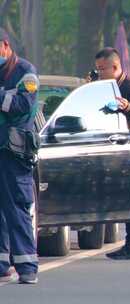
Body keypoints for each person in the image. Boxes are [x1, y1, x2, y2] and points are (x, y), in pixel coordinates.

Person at [92, 48, 130, 260]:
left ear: (115, 67)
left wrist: (127, 106)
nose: (99, 73)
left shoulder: (129, 87)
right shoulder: (110, 86)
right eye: (97, 69)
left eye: (102, 69)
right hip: (129, 148)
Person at [0, 28, 40, 284]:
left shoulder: (26, 72)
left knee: (16, 207)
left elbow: (23, 105)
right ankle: (2, 262)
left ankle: (27, 266)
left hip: (13, 152)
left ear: (4, 45)